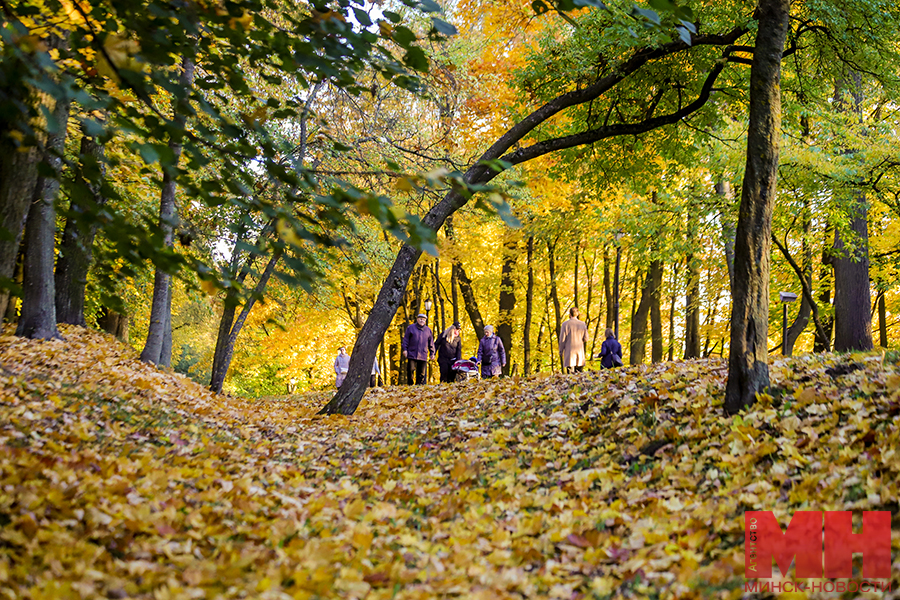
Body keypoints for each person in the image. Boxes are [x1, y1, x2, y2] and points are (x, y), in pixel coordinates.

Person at [401, 313, 435, 385]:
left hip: (423, 354)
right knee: (410, 370)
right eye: (420, 319)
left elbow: (431, 343)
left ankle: (419, 386)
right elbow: (406, 340)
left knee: (421, 373)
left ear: (425, 321)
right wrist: (405, 349)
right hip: (412, 353)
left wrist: (432, 353)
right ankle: (410, 385)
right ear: (417, 319)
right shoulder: (410, 328)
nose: (422, 320)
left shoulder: (428, 330)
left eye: (424, 319)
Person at [559, 306, 589, 373]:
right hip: (579, 351)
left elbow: (562, 339)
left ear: (569, 314)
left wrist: (561, 350)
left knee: (570, 373)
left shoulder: (565, 324)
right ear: (578, 314)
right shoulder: (583, 324)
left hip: (569, 351)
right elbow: (586, 338)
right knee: (579, 373)